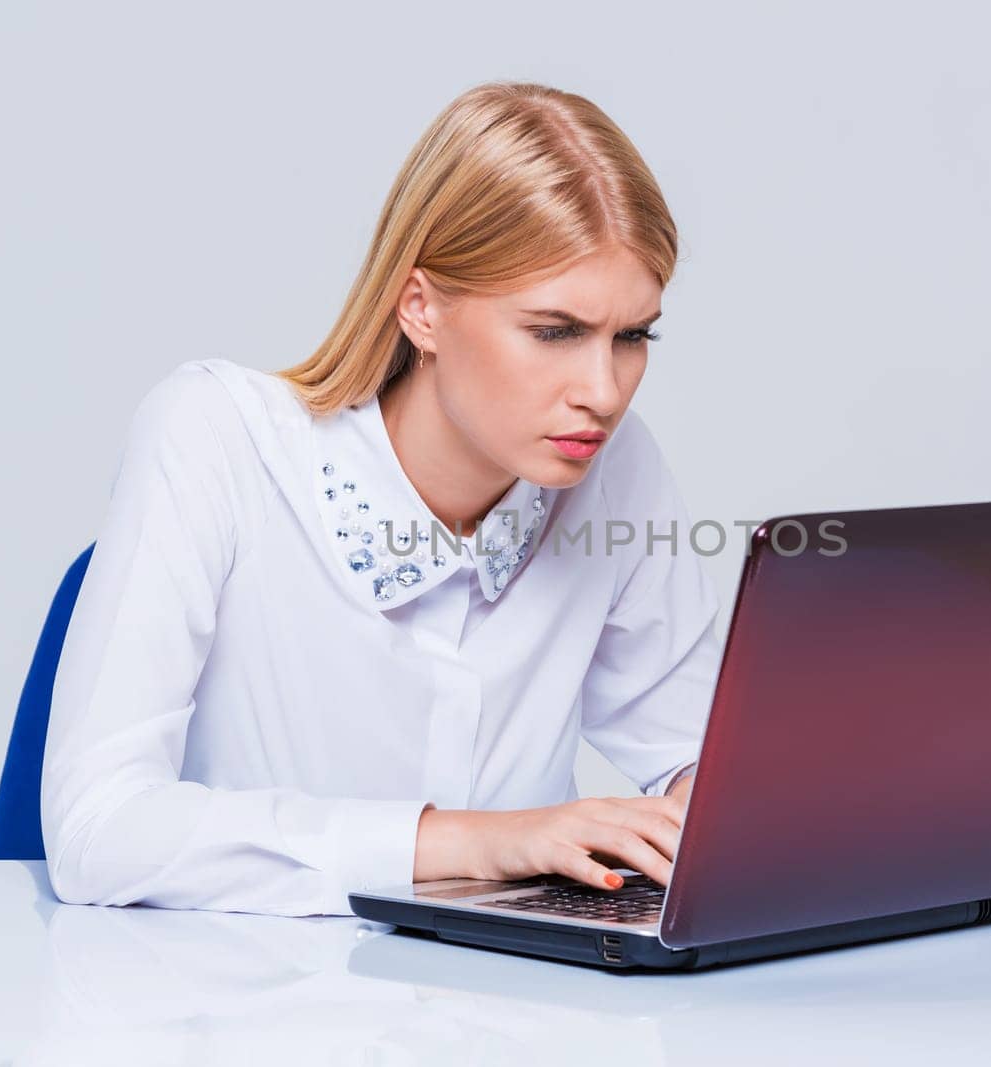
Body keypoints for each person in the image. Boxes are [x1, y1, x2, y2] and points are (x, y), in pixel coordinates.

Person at [40, 81, 723, 917]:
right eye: (555, 332)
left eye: (633, 336)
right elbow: (97, 830)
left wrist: (718, 812)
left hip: (521, 1017)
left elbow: (700, 759)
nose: (603, 390)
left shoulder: (617, 471)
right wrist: (477, 839)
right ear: (422, 308)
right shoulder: (215, 435)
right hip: (238, 1012)